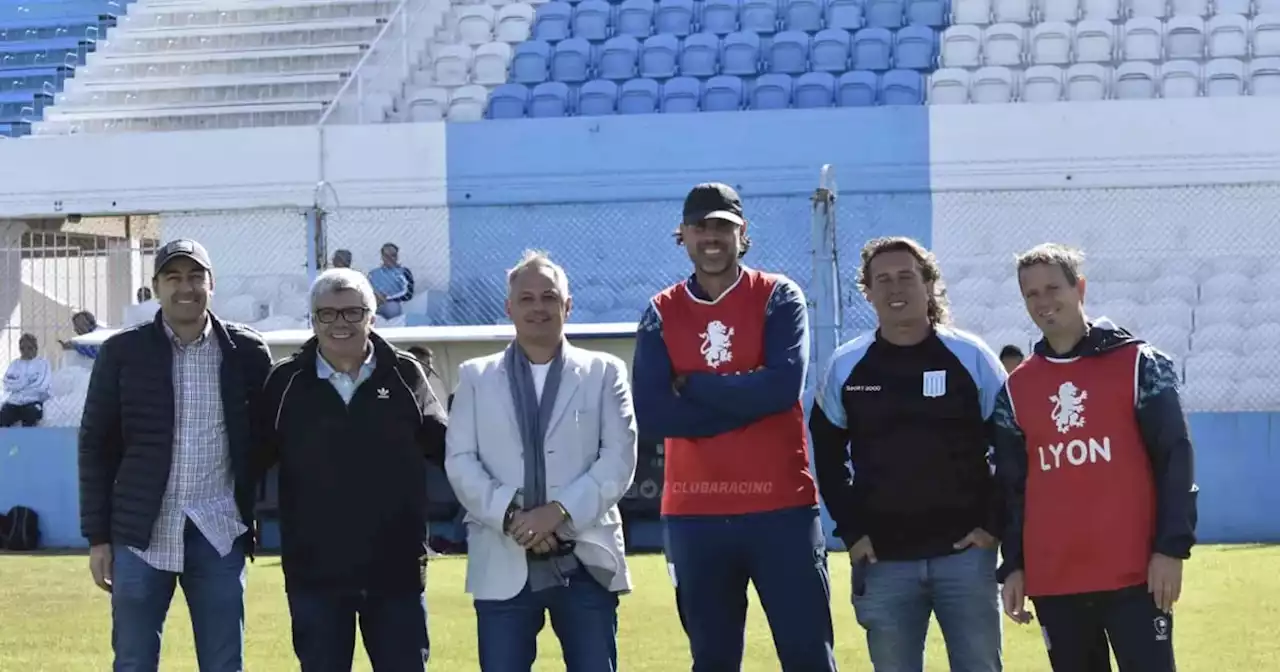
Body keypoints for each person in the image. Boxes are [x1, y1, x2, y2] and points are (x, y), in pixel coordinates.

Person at [632, 183, 837, 671]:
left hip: (781, 507)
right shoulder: (661, 311)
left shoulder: (778, 295)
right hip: (695, 514)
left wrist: (697, 385)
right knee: (713, 658)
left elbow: (783, 387)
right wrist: (748, 395)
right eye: (700, 226)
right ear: (681, 235)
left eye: (723, 225)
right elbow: (656, 413)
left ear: (742, 233)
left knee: (808, 654)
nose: (711, 236)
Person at [992, 243, 1198, 672]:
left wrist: (1171, 549)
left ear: (1079, 287)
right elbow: (1011, 489)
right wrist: (1013, 566)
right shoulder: (1015, 389)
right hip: (1056, 581)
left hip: (1136, 577)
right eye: (1032, 294)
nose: (1044, 302)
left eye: (1053, 288)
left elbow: (1174, 459)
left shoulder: (1142, 364)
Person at [808, 236, 1006, 672]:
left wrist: (992, 526)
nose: (895, 288)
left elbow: (1012, 447)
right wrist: (853, 532)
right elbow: (827, 455)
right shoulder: (846, 366)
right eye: (883, 280)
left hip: (966, 558)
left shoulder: (972, 357)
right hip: (883, 560)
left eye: (906, 277)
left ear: (929, 284)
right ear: (869, 291)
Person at [78, 238, 273, 671]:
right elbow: (95, 446)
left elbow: (266, 439)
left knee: (224, 663)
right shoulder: (122, 353)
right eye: (173, 277)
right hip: (140, 534)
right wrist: (98, 538)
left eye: (195, 276)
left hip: (219, 530)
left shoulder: (247, 352)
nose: (185, 287)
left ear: (211, 283)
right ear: (156, 286)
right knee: (133, 662)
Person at [446, 250, 637, 672]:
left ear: (567, 306)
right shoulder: (475, 377)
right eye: (527, 298)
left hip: (585, 558)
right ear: (508, 307)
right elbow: (460, 461)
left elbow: (619, 459)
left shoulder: (606, 372)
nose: (538, 307)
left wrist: (558, 512)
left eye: (549, 297)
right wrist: (514, 517)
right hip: (503, 555)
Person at [255, 268, 446, 671]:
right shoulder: (286, 382)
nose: (340, 323)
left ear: (372, 317)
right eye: (327, 314)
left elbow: (449, 450)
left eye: (352, 312)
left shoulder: (406, 374)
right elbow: (252, 461)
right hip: (315, 573)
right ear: (312, 320)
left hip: (396, 571)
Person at [1, 333, 51, 427]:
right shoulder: (15, 364)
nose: (26, 351)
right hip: (14, 401)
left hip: (33, 401)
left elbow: (41, 386)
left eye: (29, 348)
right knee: (3, 415)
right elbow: (7, 384)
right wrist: (27, 381)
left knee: (31, 415)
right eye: (22, 348)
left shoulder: (43, 364)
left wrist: (18, 384)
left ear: (36, 348)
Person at [369, 242, 415, 319]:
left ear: (397, 256)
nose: (389, 258)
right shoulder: (373, 274)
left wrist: (387, 298)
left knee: (393, 308)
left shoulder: (403, 272)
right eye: (386, 256)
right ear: (382, 257)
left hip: (392, 303)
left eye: (393, 255)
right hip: (374, 304)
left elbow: (408, 294)